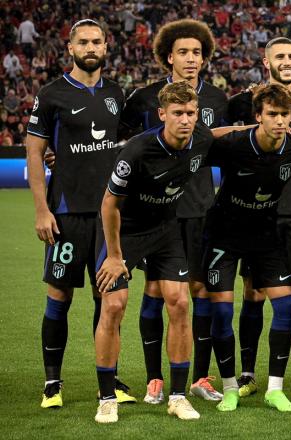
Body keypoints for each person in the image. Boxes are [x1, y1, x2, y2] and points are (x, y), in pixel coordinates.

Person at [202, 84, 291, 413]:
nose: (278, 120)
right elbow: (195, 140)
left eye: (284, 115)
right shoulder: (234, 143)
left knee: (286, 306)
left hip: (265, 234)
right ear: (257, 116)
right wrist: (240, 127)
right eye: (271, 114)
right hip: (224, 234)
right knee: (221, 310)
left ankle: (275, 388)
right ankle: (230, 387)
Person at [25, 19, 135, 409]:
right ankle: (52, 383)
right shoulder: (51, 94)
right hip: (66, 215)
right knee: (60, 297)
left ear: (106, 46)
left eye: (97, 42)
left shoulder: (116, 93)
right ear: (70, 47)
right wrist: (42, 210)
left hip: (110, 218)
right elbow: (35, 153)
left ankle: (111, 378)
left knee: (110, 300)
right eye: (83, 42)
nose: (91, 48)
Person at [120, 18, 229, 405]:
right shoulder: (144, 98)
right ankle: (154, 378)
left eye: (197, 52)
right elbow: (119, 138)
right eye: (183, 52)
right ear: (168, 56)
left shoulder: (216, 99)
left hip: (200, 208)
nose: (191, 58)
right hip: (154, 212)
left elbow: (221, 140)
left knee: (196, 291)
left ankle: (199, 375)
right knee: (155, 290)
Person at [94, 81, 215, 423]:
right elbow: (109, 204)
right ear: (162, 114)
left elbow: (221, 134)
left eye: (191, 113)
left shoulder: (201, 140)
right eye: (177, 113)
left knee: (179, 302)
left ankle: (177, 396)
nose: (185, 120)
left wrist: (257, 126)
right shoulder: (136, 150)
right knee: (114, 306)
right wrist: (115, 256)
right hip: (125, 234)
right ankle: (106, 398)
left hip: (166, 231)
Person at [225, 37, 291, 398]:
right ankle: (249, 372)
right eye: (280, 56)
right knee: (252, 293)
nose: (287, 61)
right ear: (266, 62)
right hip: (258, 215)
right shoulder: (245, 101)